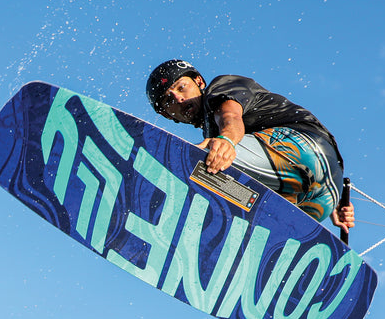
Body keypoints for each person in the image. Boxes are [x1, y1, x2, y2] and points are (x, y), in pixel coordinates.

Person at [146, 59, 355, 231]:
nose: (179, 99)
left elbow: (230, 115)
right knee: (234, 209)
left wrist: (227, 140)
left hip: (305, 148)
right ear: (166, 114)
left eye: (182, 87)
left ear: (199, 81)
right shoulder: (209, 129)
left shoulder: (219, 88)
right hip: (321, 198)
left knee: (198, 160)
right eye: (168, 101)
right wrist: (333, 197)